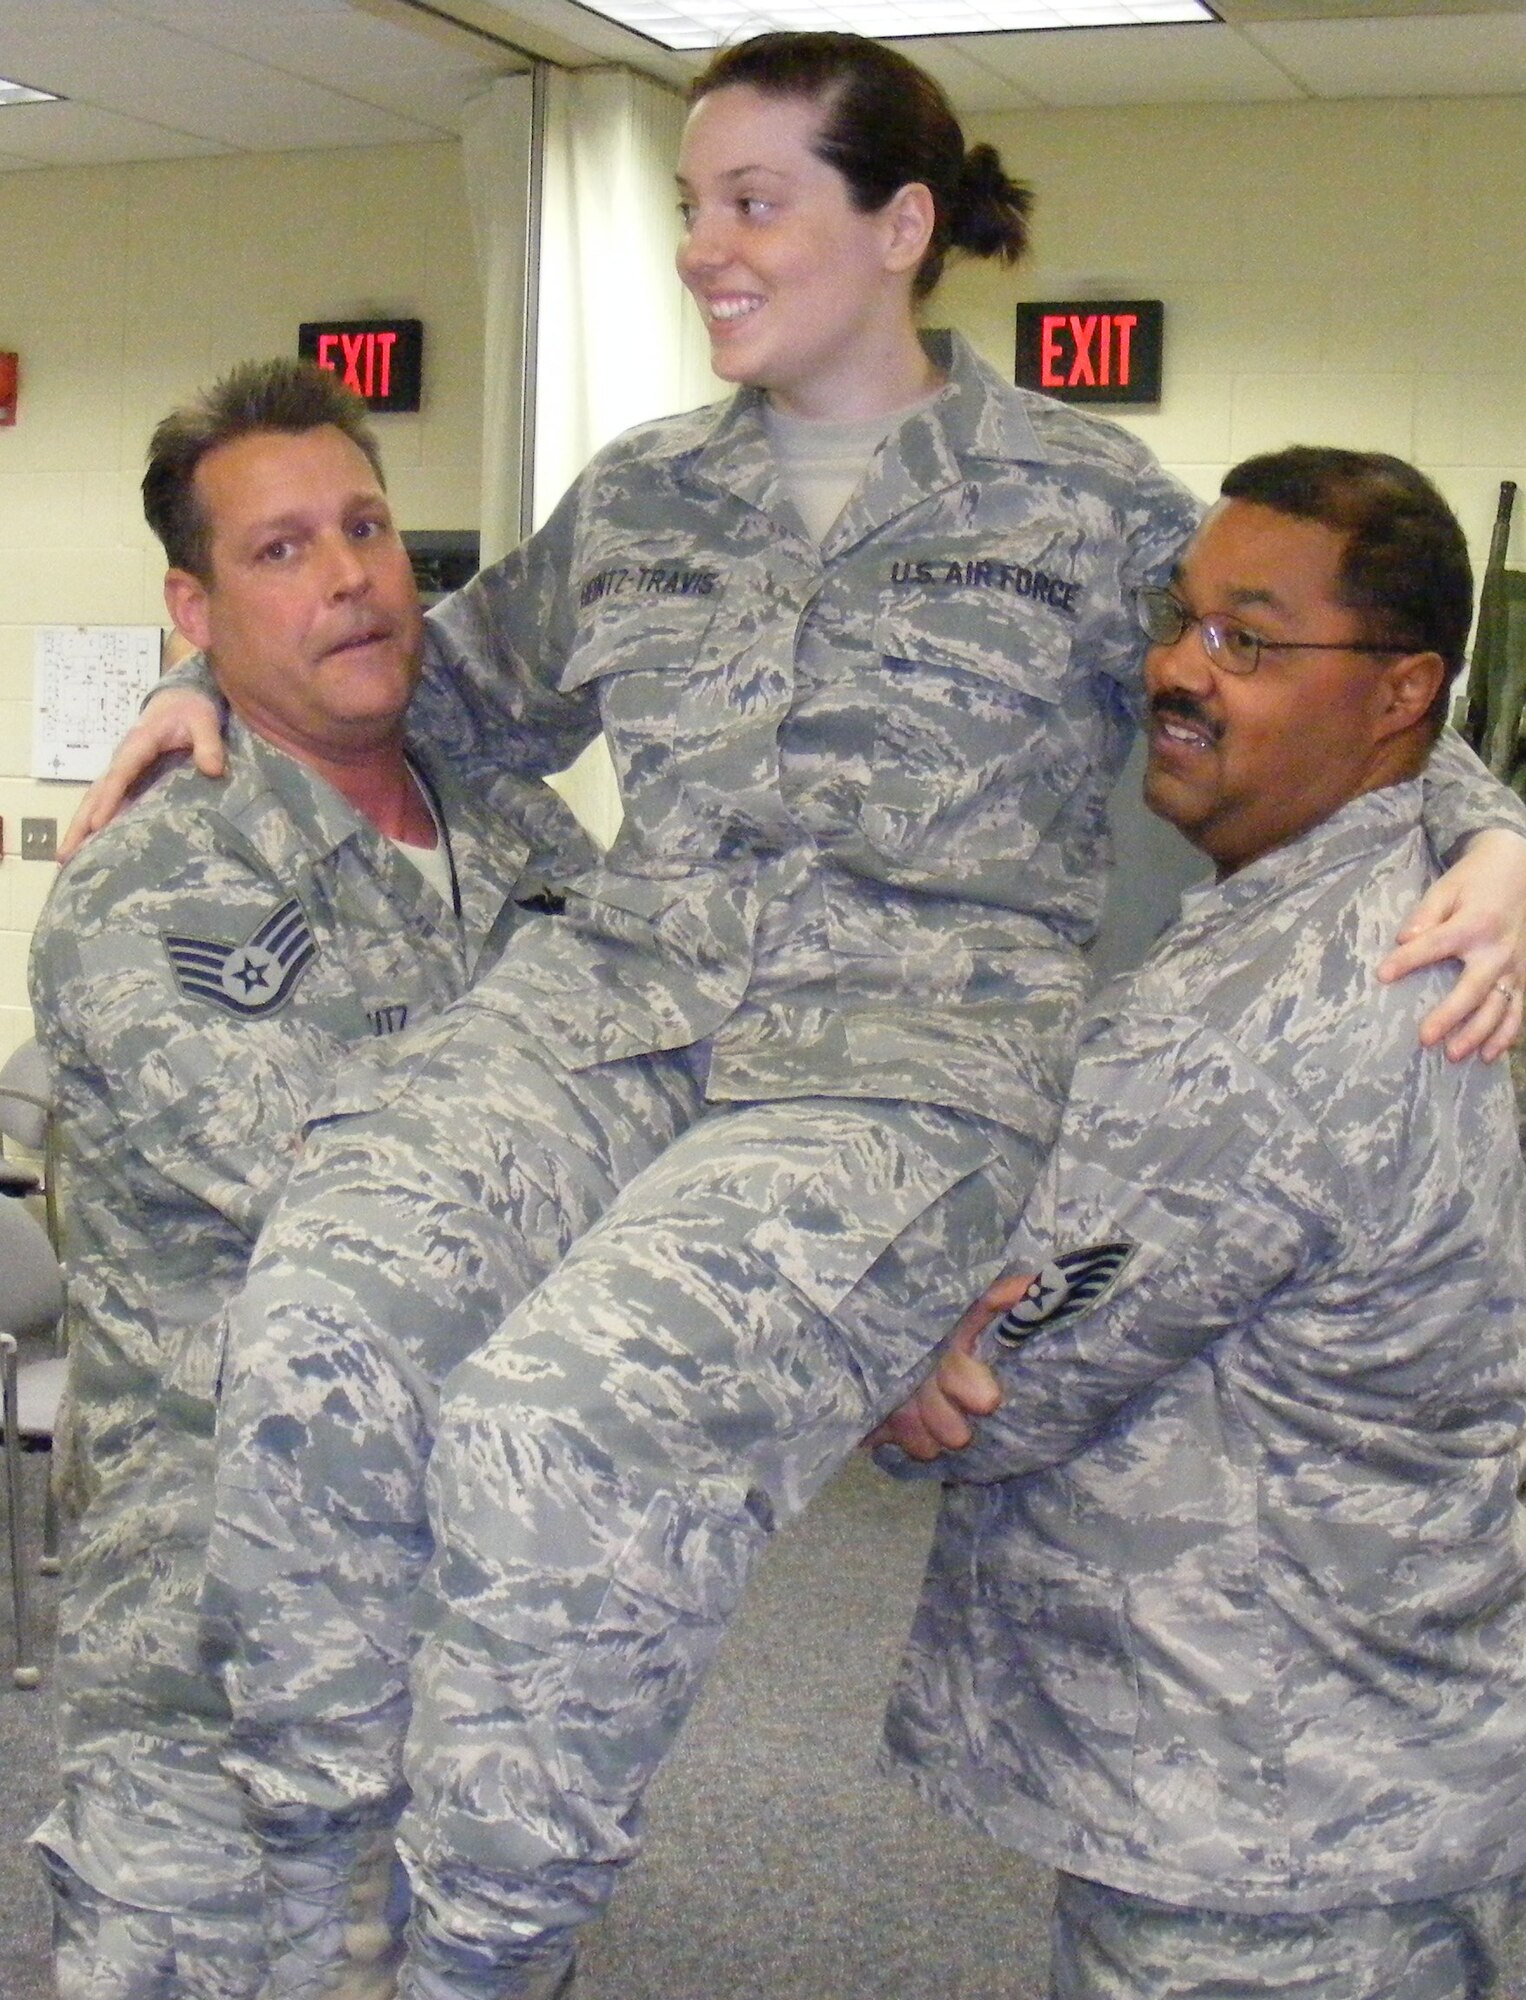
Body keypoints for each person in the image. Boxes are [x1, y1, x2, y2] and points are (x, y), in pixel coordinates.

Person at [66, 33, 1526, 2000]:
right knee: (327, 1306)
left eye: (754, 201)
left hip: (894, 1064)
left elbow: (1280, 681)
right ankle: (334, 1872)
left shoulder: (1082, 502)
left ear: (900, 227)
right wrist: (209, 701)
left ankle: (478, 1952)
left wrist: (1491, 817)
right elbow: (436, 695)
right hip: (624, 1017)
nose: (706, 248)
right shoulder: (648, 493)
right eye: (690, 205)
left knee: (550, 1424)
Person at [875, 448, 1526, 2000]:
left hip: (1256, 1841)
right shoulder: (1417, 887)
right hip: (1358, 1780)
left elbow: (990, 1393)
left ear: (1395, 696)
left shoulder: (1280, 1020)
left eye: (1246, 640)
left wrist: (867, 1346)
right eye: (1178, 621)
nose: (1176, 668)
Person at [28, 358, 590, 2000]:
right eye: (280, 551)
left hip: (487, 1649)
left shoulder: (523, 837)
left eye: (366, 526)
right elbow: (395, 1234)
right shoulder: (161, 886)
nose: (349, 574)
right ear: (188, 614)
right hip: (230, 1689)